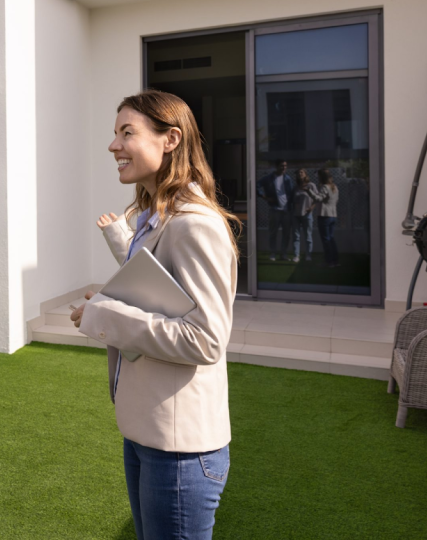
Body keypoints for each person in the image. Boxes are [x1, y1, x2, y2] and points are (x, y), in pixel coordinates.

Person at [74, 90, 237, 540]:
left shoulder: (193, 224)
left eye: (128, 133)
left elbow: (205, 339)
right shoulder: (155, 218)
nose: (114, 146)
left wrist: (103, 312)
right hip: (148, 433)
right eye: (115, 134)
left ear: (171, 140)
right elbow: (158, 297)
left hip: (180, 450)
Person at [257, 159, 294, 261]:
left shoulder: (287, 179)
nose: (284, 168)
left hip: (287, 210)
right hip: (275, 209)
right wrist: (264, 196)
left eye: (285, 166)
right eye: (282, 166)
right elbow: (256, 185)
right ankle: (273, 253)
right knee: (273, 233)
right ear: (277, 166)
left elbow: (291, 193)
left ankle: (283, 254)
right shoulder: (269, 178)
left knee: (286, 233)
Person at [291, 168, 322, 263]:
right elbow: (292, 200)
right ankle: (296, 255)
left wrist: (311, 208)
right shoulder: (295, 187)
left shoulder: (311, 185)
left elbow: (317, 198)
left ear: (305, 174)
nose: (299, 174)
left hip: (307, 214)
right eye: (298, 172)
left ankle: (308, 255)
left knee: (308, 236)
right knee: (296, 236)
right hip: (296, 215)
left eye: (301, 172)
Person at [315, 168, 340, 267]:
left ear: (322, 177)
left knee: (326, 240)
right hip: (333, 216)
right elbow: (336, 201)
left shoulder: (325, 187)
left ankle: (329, 262)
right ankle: (335, 261)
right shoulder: (335, 187)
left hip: (324, 216)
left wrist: (309, 191)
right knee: (331, 239)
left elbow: (318, 198)